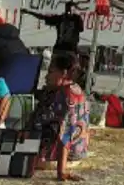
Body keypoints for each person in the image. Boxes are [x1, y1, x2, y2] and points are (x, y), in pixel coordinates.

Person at [30, 52, 89, 181]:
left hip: (59, 156)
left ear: (64, 73)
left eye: (51, 72)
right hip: (74, 153)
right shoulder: (73, 89)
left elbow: (66, 133)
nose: (46, 77)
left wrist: (61, 171)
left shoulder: (66, 96)